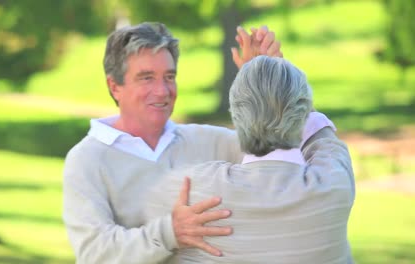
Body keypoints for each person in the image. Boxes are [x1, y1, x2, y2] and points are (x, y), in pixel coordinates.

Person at [62, 22, 285, 263]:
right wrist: (171, 233)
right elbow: (95, 254)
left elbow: (285, 161)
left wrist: (270, 83)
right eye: (146, 78)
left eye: (169, 77)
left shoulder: (209, 141)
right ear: (114, 86)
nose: (162, 91)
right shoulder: (86, 160)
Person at [145, 56, 355, 263]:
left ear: (236, 114)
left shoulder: (194, 188)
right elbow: (322, 138)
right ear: (302, 112)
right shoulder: (334, 183)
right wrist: (281, 85)